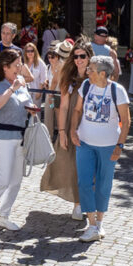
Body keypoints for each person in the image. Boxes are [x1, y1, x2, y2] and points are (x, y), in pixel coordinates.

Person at [69, 55, 131, 242]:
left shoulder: (117, 90)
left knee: (104, 184)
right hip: (85, 143)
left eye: (91, 69)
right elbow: (78, 110)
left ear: (103, 73)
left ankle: (100, 222)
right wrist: (73, 130)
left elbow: (126, 121)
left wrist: (120, 145)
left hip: (108, 146)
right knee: (85, 183)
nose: (88, 72)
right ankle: (92, 224)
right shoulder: (86, 85)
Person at [0, 48, 36, 231]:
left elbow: (25, 103)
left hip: (21, 136)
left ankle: (4, 216)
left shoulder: (21, 83)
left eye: (20, 64)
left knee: (16, 180)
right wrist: (12, 89)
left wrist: (31, 108)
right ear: (5, 66)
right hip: (2, 136)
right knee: (2, 179)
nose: (20, 68)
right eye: (16, 64)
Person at [41, 38, 93, 219]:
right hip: (70, 121)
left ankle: (85, 202)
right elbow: (62, 106)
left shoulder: (95, 75)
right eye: (76, 56)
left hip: (90, 122)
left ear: (89, 57)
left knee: (89, 165)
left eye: (82, 56)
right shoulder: (68, 75)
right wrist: (61, 131)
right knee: (71, 163)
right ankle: (78, 203)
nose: (79, 59)